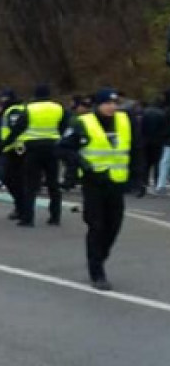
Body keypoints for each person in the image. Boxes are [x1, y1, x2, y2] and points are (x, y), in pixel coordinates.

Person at [57, 88, 140, 291]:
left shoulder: (124, 121)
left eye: (114, 103)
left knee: (114, 226)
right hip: (94, 182)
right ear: (98, 105)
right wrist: (81, 164)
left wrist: (138, 177)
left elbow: (137, 149)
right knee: (97, 226)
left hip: (116, 182)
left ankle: (100, 256)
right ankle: (97, 271)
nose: (112, 107)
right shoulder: (82, 123)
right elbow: (62, 148)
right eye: (107, 103)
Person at [5, 84, 69, 227]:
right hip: (52, 147)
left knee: (31, 185)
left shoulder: (29, 109)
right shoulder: (58, 108)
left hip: (33, 149)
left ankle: (28, 218)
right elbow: (65, 126)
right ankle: (55, 216)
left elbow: (18, 128)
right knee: (53, 184)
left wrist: (5, 143)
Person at [0, 90, 27, 218]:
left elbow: (14, 129)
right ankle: (22, 207)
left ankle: (21, 208)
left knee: (11, 180)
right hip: (21, 148)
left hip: (14, 149)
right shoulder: (22, 108)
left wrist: (3, 144)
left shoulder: (13, 111)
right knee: (18, 180)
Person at [138, 97, 167, 196]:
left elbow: (141, 127)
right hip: (158, 141)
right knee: (157, 163)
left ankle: (144, 184)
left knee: (145, 164)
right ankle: (156, 184)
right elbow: (164, 129)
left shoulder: (145, 112)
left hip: (145, 141)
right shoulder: (162, 114)